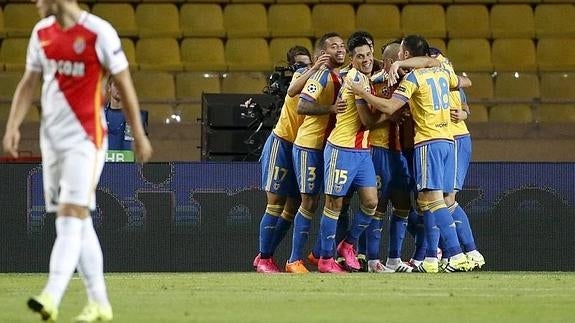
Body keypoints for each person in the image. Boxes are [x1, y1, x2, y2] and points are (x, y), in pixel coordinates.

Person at [2, 0, 152, 321]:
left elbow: (123, 82)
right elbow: (29, 82)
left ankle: (51, 296)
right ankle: (99, 302)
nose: (35, 3)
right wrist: (13, 125)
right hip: (52, 140)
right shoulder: (41, 32)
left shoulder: (99, 33)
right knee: (76, 221)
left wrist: (138, 134)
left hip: (86, 140)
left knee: (70, 216)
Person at [348, 35, 473, 273]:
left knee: (429, 202)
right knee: (399, 203)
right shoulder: (438, 71)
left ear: (407, 57)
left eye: (401, 57)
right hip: (405, 146)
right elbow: (464, 81)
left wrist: (365, 92)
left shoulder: (413, 78)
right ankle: (378, 258)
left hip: (421, 145)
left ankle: (445, 255)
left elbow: (389, 106)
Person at [254, 45, 330, 273]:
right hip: (283, 143)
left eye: (307, 63)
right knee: (275, 203)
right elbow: (294, 90)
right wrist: (311, 69)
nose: (304, 67)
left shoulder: (326, 80)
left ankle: (268, 257)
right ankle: (264, 257)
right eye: (300, 64)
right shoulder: (302, 75)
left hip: (303, 147)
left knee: (294, 205)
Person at [317, 34, 379, 273]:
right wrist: (390, 113)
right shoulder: (356, 80)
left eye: (368, 55)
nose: (365, 60)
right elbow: (367, 121)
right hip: (342, 149)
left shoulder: (365, 78)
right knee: (334, 204)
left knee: (371, 202)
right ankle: (325, 259)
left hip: (362, 151)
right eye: (360, 56)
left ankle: (347, 245)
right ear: (351, 60)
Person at [285, 32, 346, 273]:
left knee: (333, 200)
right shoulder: (320, 76)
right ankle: (293, 260)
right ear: (323, 53)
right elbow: (301, 105)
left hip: (330, 147)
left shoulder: (339, 76)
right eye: (334, 46)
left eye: (342, 45)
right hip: (310, 145)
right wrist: (331, 108)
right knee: (309, 201)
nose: (340, 49)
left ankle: (320, 254)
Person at [429, 48, 485, 271]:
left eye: (440, 61)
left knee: (445, 199)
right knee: (437, 199)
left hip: (456, 139)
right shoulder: (435, 80)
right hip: (443, 139)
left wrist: (463, 114)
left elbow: (465, 105)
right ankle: (441, 255)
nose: (436, 65)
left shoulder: (447, 77)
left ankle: (469, 253)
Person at [104, 76, 148, 151]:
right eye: (116, 85)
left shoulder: (138, 117)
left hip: (128, 162)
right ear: (109, 88)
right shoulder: (99, 116)